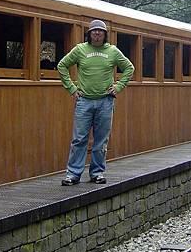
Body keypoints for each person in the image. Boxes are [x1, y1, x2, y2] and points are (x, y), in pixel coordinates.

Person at [57, 19, 134, 186]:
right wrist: (71, 88)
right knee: (79, 139)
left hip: (105, 102)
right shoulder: (80, 49)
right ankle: (73, 174)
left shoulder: (112, 51)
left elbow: (129, 68)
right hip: (84, 101)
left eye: (100, 31)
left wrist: (119, 86)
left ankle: (97, 173)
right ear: (89, 34)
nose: (97, 33)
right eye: (94, 31)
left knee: (101, 140)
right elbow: (62, 65)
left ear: (105, 34)